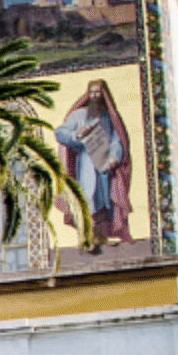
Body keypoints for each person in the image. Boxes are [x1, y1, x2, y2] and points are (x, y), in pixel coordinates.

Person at [54, 79, 133, 245]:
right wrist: (77, 135)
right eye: (92, 92)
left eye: (98, 92)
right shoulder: (79, 115)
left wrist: (114, 157)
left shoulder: (108, 117)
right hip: (86, 165)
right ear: (88, 94)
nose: (95, 96)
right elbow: (61, 133)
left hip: (104, 167)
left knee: (104, 203)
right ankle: (87, 238)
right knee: (88, 199)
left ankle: (100, 237)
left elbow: (116, 140)